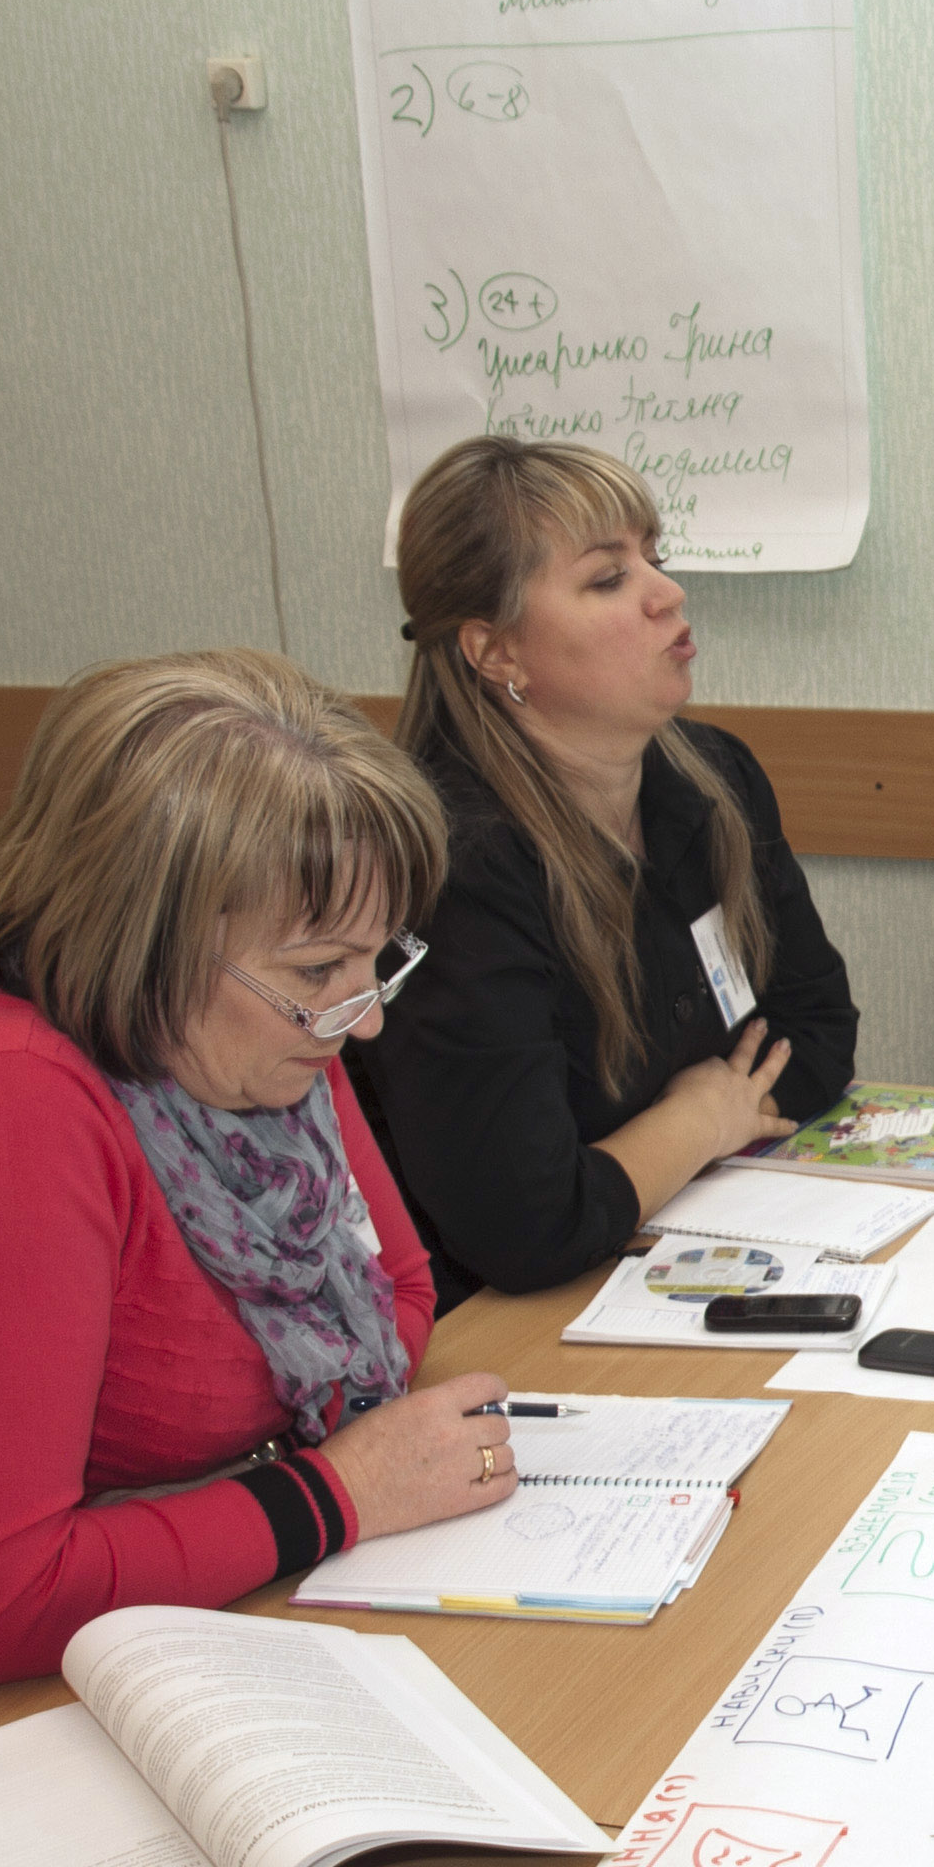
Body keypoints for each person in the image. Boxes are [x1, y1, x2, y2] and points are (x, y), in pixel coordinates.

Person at [0, 651, 520, 1746]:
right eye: (318, 973)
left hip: (179, 1620)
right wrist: (332, 1493)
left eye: (374, 961)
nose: (365, 1016)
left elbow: (395, 1291)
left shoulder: (247, 1023)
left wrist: (267, 1494)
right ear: (141, 944)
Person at [361, 437, 858, 1303]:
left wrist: (653, 1155)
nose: (669, 594)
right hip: (502, 1326)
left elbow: (816, 1034)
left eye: (654, 559)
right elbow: (526, 1225)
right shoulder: (454, 865)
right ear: (496, 652)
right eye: (608, 578)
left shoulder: (714, 778)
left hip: (690, 1238)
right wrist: (699, 1118)